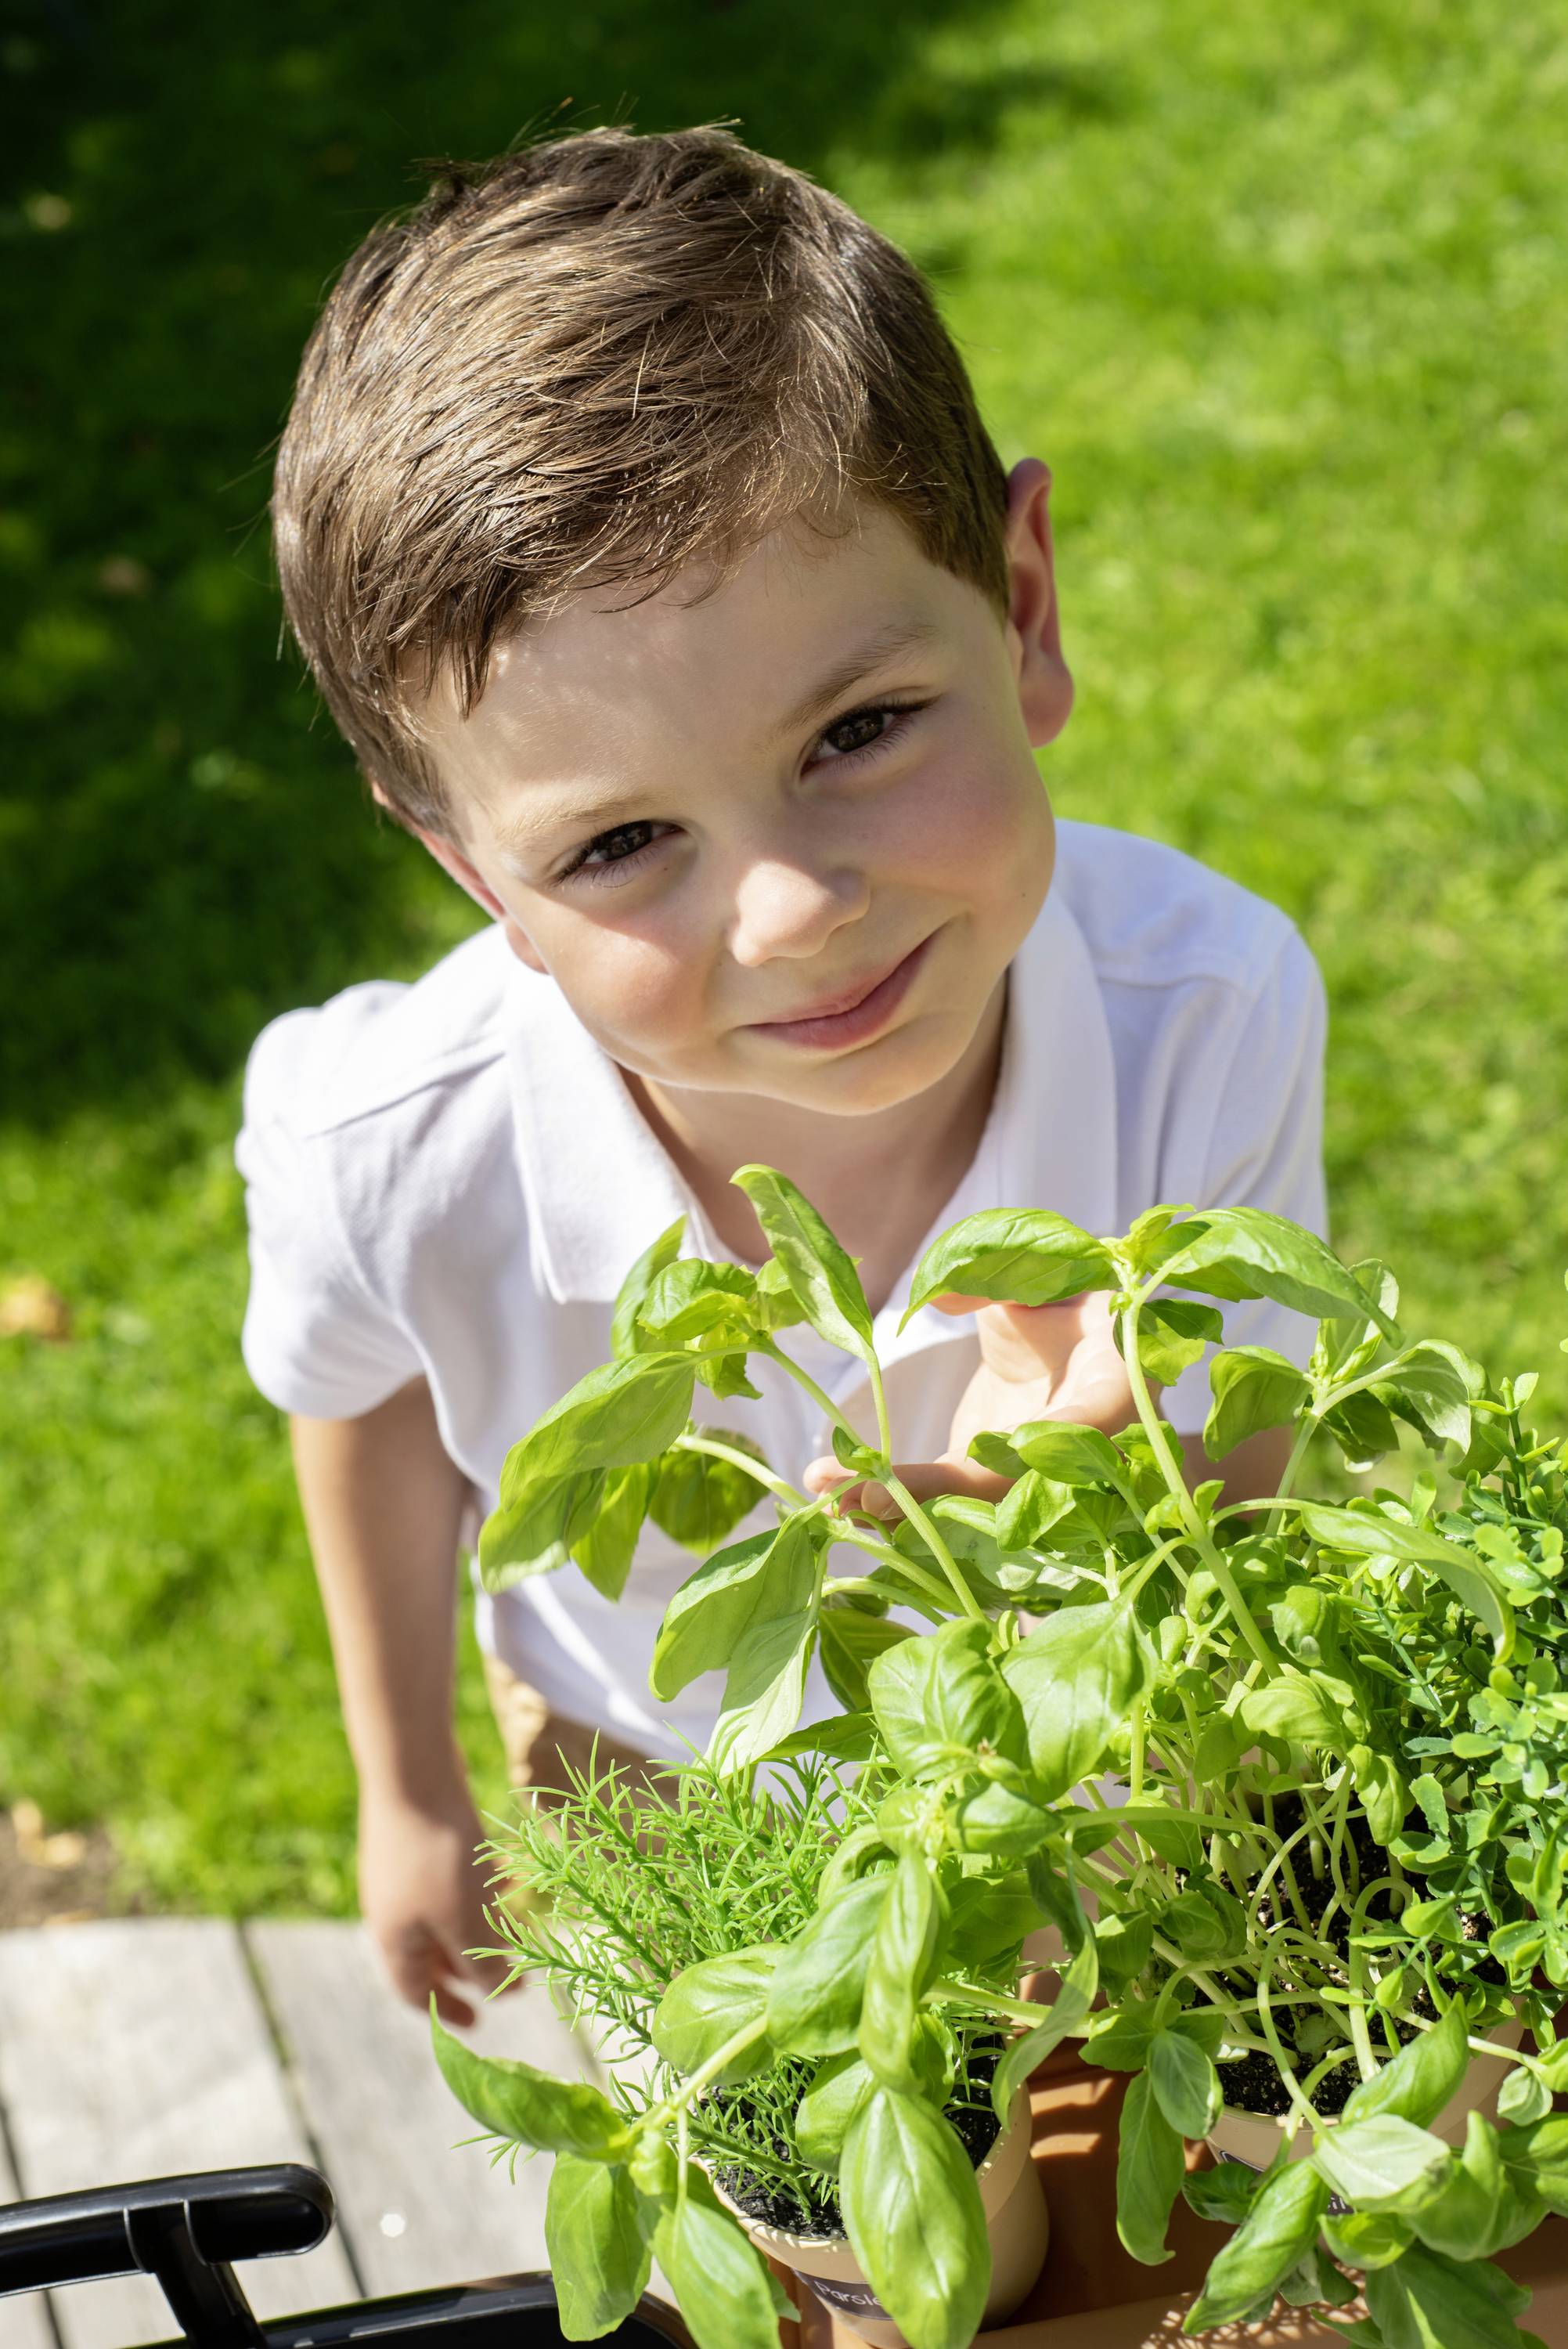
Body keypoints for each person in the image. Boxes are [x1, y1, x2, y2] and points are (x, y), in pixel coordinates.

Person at [237, 125, 1326, 2030]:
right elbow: (363, 1392)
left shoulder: (1206, 1013)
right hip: (646, 1745)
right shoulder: (396, 1148)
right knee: (740, 2168)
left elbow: (1243, 1469)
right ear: (479, 880)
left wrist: (1126, 1499)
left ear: (1025, 608)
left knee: (1107, 2159)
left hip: (1074, 1754)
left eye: (862, 729)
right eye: (618, 845)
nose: (796, 913)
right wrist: (406, 1788)